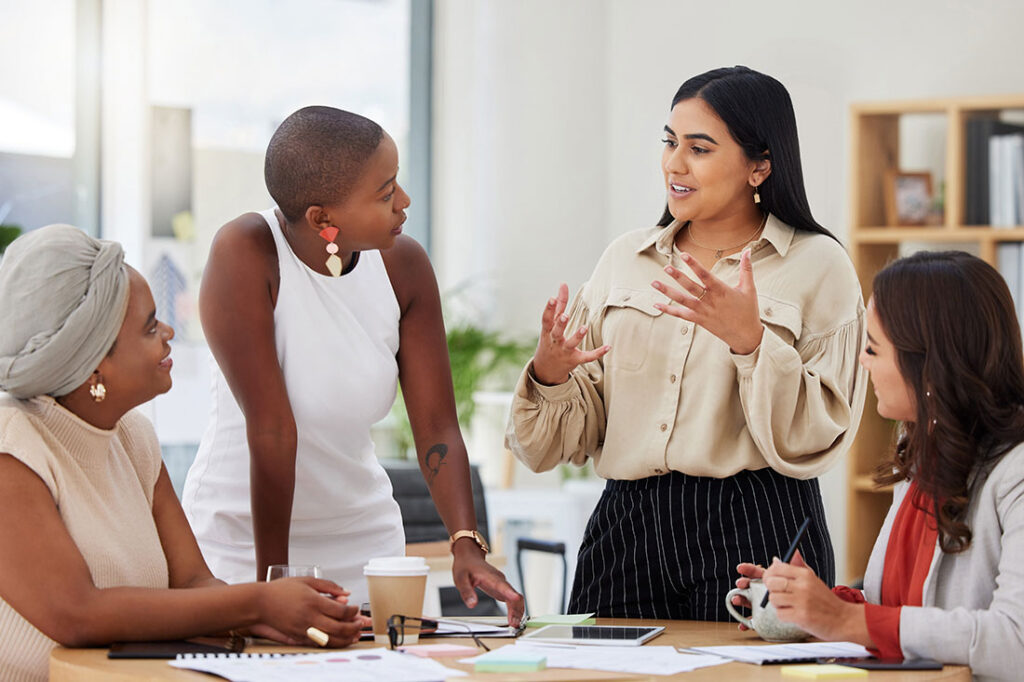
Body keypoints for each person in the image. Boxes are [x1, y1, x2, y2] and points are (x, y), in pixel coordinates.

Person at [506, 66, 867, 620]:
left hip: (757, 522)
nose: (674, 164)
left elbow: (819, 433)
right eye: (670, 143)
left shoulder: (818, 265)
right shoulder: (625, 258)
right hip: (627, 526)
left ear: (760, 165)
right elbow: (562, 442)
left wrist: (751, 343)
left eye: (699, 148)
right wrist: (551, 375)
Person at [181, 106, 523, 622]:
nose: (404, 202)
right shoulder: (248, 252)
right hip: (243, 544)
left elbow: (435, 425)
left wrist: (465, 544)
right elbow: (272, 430)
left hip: (367, 546)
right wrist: (272, 585)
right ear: (323, 218)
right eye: (386, 193)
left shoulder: (403, 266)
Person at [0, 225, 370, 682]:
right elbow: (76, 613)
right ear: (94, 363)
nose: (169, 333)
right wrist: (259, 601)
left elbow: (194, 583)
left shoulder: (134, 437)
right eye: (150, 326)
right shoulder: (12, 445)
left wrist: (272, 619)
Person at [737, 251, 1024, 681]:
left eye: (872, 347)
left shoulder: (1014, 471)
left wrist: (845, 621)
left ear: (928, 364)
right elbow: (902, 614)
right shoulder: (923, 451)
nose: (862, 361)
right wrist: (814, 607)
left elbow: (1013, 642)